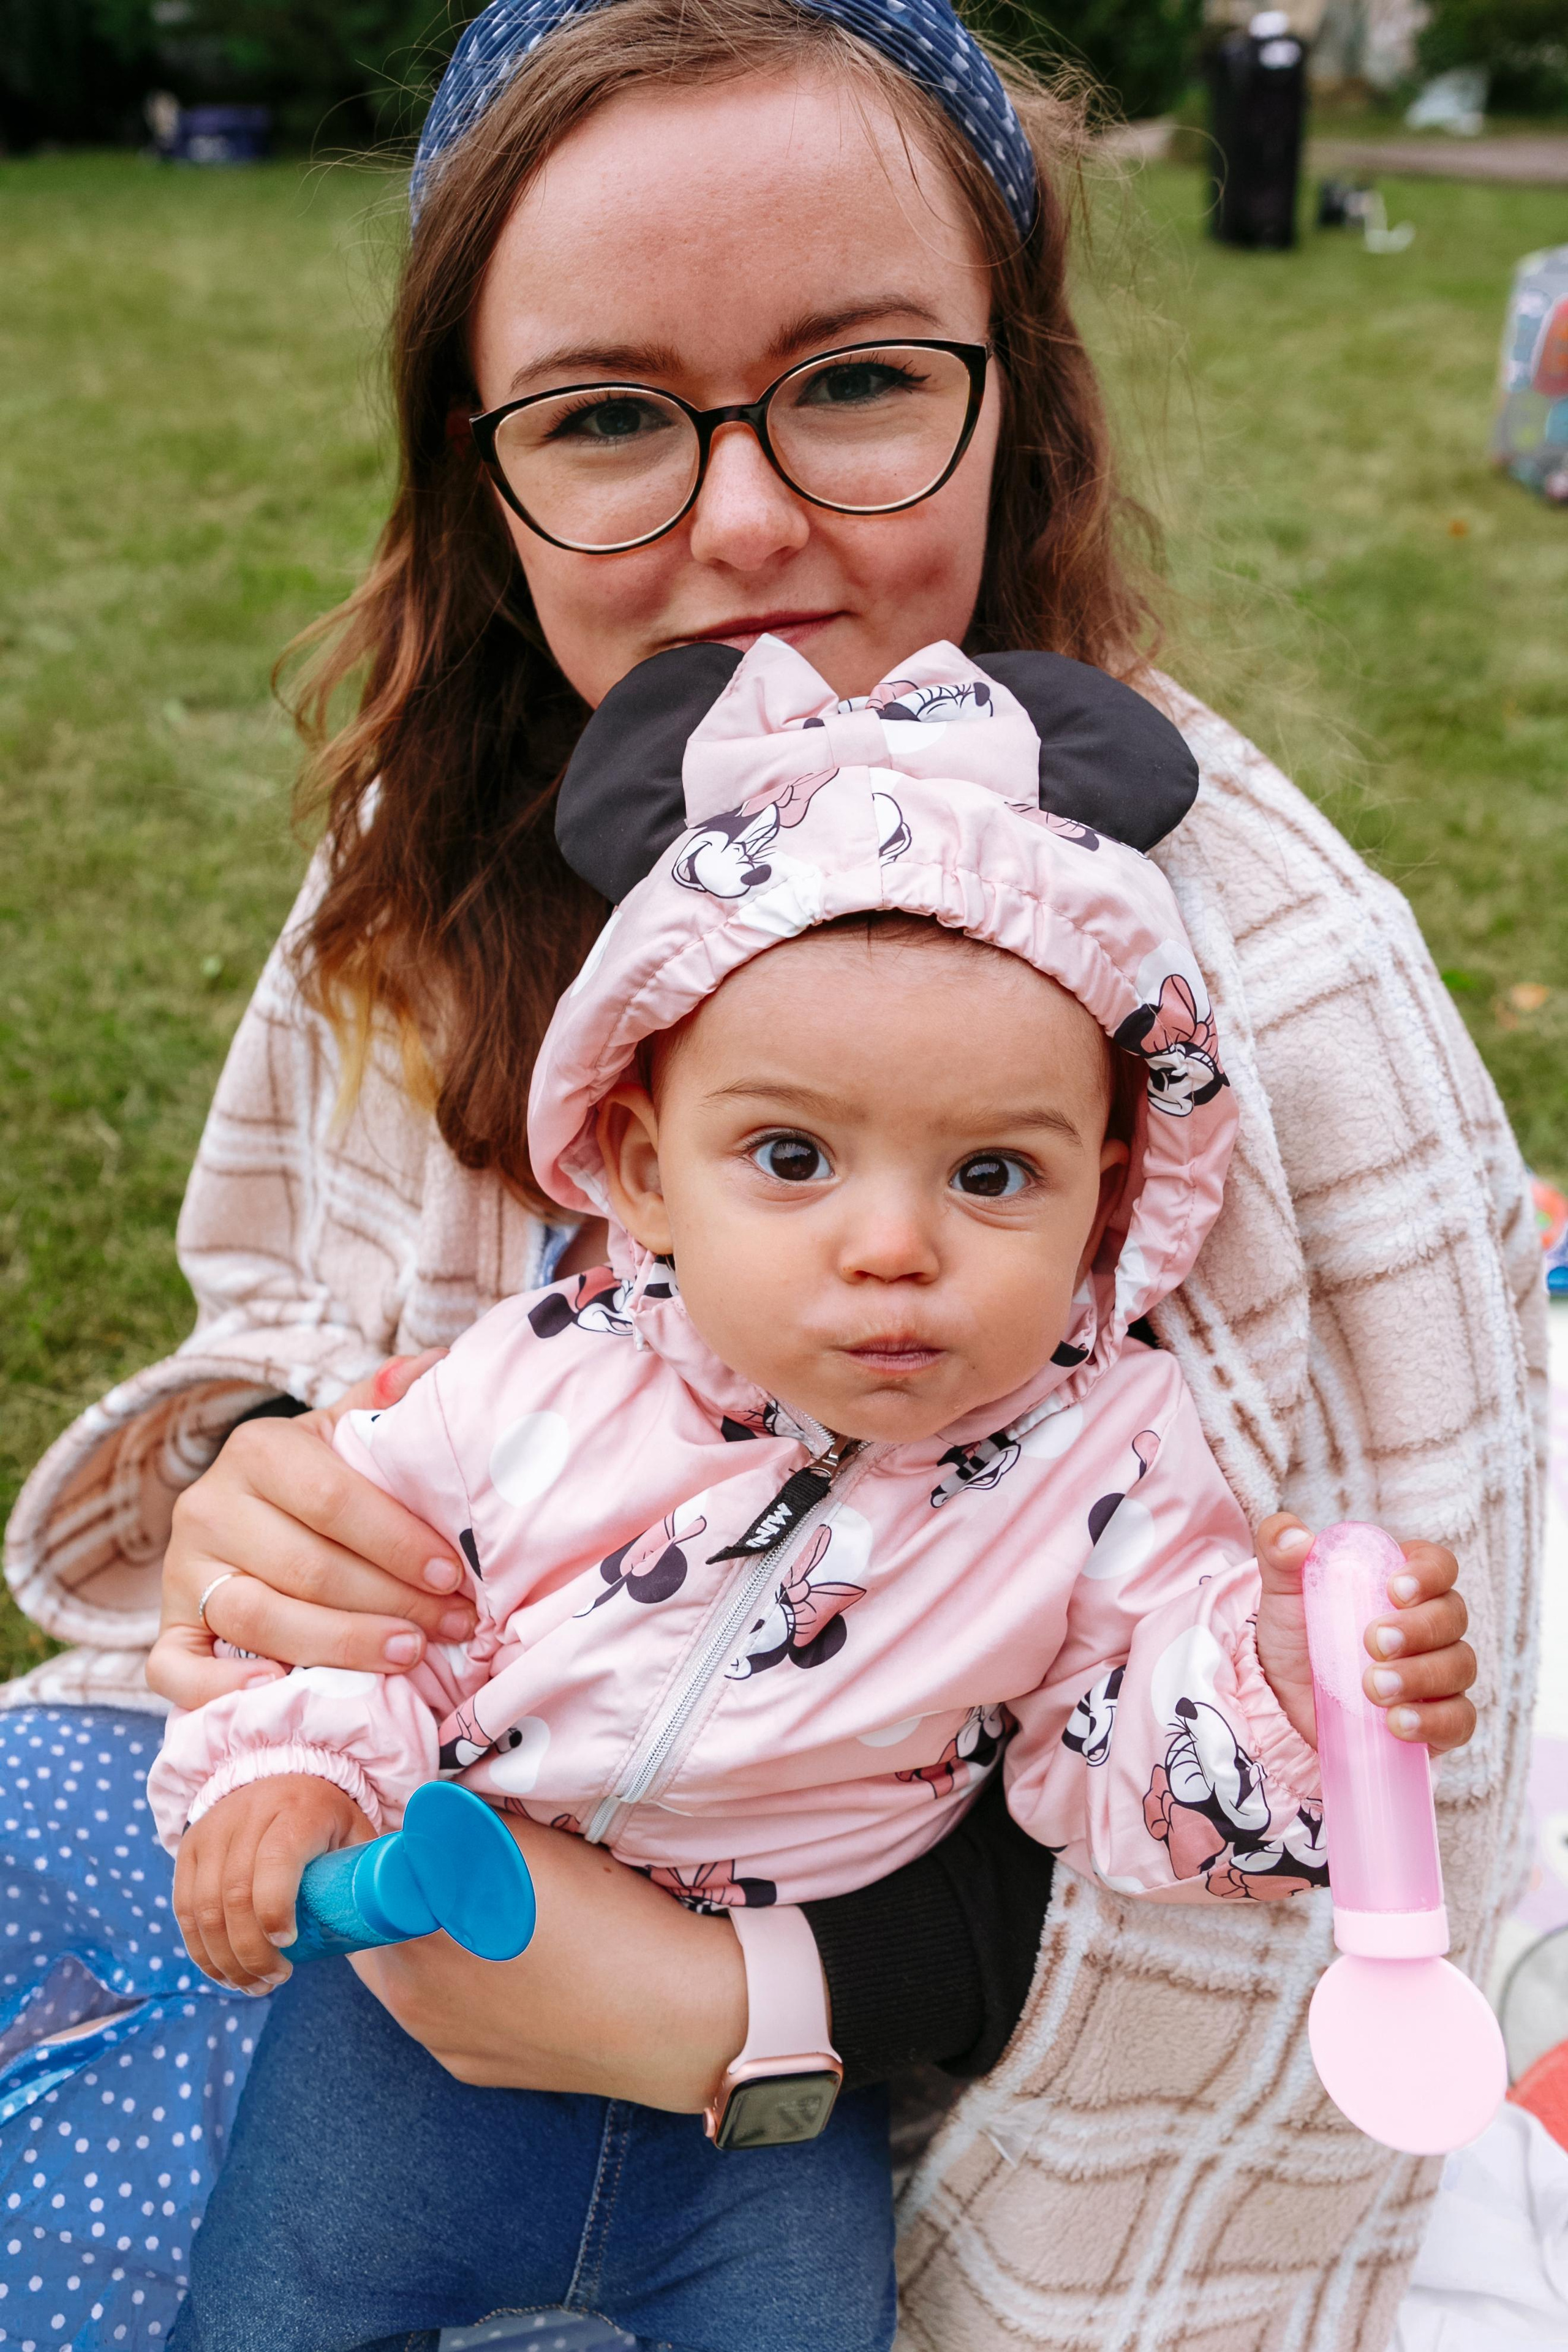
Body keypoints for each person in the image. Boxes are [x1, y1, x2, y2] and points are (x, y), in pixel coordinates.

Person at [0, 0, 1531, 2346]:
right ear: (477, 466)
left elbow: (1303, 1828)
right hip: (398, 1930)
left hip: (867, 2098)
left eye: (858, 380)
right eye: (607, 414)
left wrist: (741, 2008)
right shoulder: (436, 849)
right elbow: (304, 1325)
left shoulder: (1275, 999)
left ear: (1021, 397)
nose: (740, 525)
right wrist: (268, 1492)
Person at [149, 635, 1474, 2350]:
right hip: (419, 2014)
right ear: (646, 1172)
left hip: (774, 2096)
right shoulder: (529, 1384)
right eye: (792, 1158)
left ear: (1109, 1201)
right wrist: (292, 1774)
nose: (893, 1247)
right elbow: (357, 1610)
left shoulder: (1115, 1458)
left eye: (991, 1173)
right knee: (275, 2314)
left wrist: (1282, 1688)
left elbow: (1113, 1753)